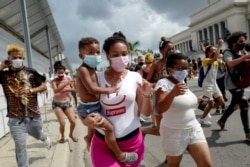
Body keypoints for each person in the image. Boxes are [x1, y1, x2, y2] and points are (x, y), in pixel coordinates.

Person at [82, 32, 153, 167]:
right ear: (108, 56)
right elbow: (85, 106)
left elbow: (146, 113)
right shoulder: (96, 78)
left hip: (132, 143)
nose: (121, 58)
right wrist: (85, 121)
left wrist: (147, 95)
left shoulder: (135, 77)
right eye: (115, 55)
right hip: (103, 144)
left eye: (124, 54)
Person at [155, 52, 213, 167]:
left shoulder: (182, 83)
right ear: (170, 69)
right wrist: (172, 94)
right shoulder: (163, 84)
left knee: (207, 165)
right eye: (179, 68)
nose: (183, 71)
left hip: (194, 129)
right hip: (173, 132)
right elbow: (160, 109)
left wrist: (198, 100)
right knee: (173, 165)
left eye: (186, 68)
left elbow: (183, 103)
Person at [0, 44, 52, 167]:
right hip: (15, 119)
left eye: (20, 57)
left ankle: (43, 137)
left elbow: (44, 86)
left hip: (34, 116)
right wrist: (1, 66)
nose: (17, 59)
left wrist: (30, 91)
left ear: (23, 58)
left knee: (37, 134)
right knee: (20, 147)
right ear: (9, 58)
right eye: (14, 57)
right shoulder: (4, 75)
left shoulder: (31, 72)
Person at [217, 31, 250, 141]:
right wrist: (245, 57)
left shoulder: (242, 51)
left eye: (243, 41)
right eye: (240, 41)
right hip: (232, 83)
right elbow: (230, 63)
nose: (243, 43)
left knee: (235, 104)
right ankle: (248, 133)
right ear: (233, 42)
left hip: (240, 82)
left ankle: (222, 120)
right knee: (244, 104)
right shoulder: (228, 52)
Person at [142, 36, 174, 137]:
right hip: (159, 96)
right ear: (161, 51)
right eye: (168, 49)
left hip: (173, 94)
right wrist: (152, 86)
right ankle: (142, 131)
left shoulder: (175, 62)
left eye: (172, 49)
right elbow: (148, 80)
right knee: (160, 130)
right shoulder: (157, 64)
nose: (171, 51)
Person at [199, 39, 225, 126]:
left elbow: (220, 61)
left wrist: (224, 64)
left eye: (215, 50)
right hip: (207, 85)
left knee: (221, 102)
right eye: (213, 50)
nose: (215, 51)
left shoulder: (217, 60)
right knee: (210, 104)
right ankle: (202, 119)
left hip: (214, 85)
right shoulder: (205, 60)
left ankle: (206, 109)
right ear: (208, 53)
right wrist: (219, 46)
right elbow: (213, 58)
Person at [50, 61, 78, 143]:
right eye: (59, 72)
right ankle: (62, 136)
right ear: (56, 72)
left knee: (73, 121)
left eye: (62, 71)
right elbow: (56, 90)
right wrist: (65, 85)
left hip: (67, 103)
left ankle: (71, 134)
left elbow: (73, 89)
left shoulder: (68, 78)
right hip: (57, 104)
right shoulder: (54, 81)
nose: (61, 73)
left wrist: (66, 88)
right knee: (62, 123)